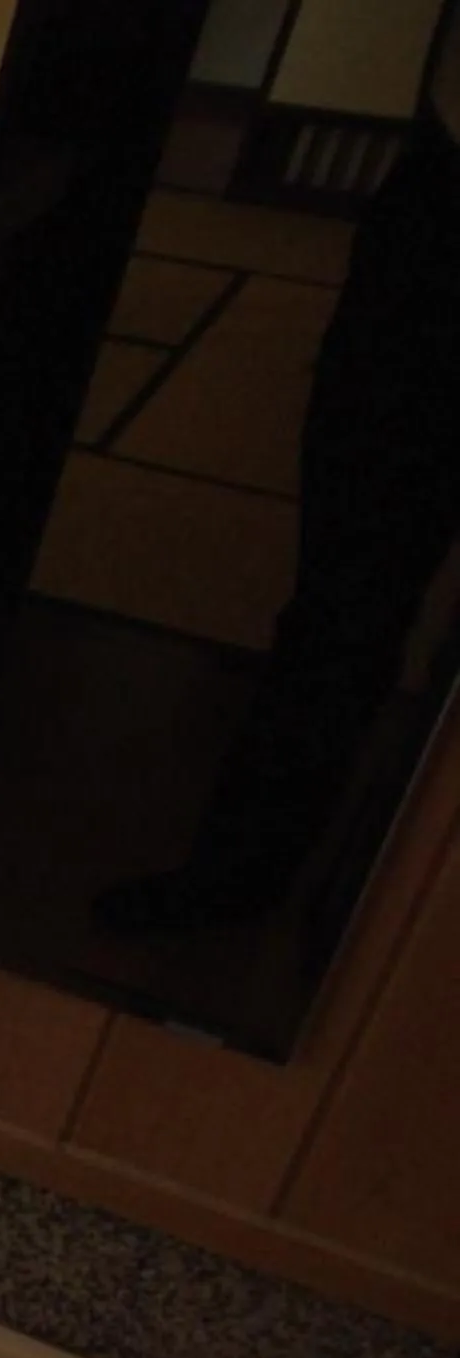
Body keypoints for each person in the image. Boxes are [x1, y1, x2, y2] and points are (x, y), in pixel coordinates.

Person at [99, 12, 460, 935]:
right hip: (440, 207)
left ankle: (294, 900)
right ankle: (247, 880)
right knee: (349, 599)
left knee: (349, 603)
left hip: (438, 223)